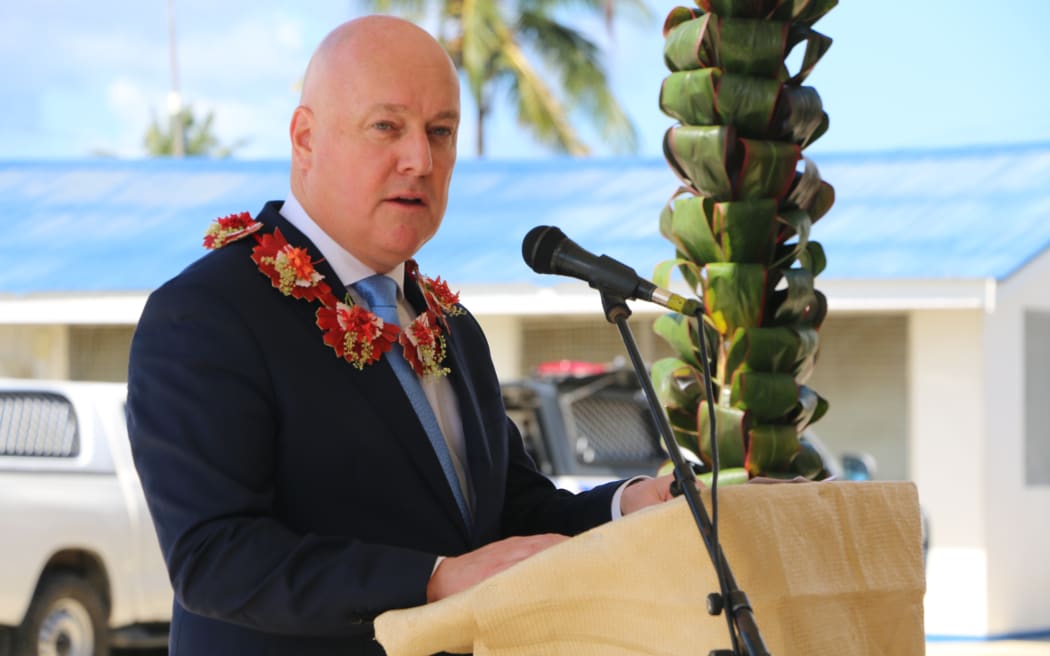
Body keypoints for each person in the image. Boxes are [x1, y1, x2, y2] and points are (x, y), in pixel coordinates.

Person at [127, 15, 675, 655]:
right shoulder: (209, 312)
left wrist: (633, 505)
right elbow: (215, 557)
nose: (420, 159)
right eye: (387, 126)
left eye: (441, 133)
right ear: (305, 138)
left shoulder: (452, 328)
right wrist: (434, 580)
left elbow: (509, 518)